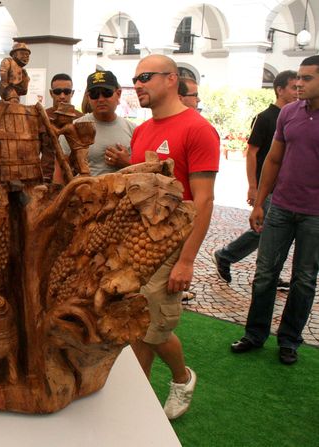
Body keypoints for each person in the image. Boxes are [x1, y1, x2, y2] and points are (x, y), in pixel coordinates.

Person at [127, 55, 220, 420]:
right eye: (135, 79)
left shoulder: (197, 129)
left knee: (155, 326)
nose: (137, 85)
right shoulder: (141, 130)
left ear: (171, 79)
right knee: (138, 321)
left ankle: (182, 378)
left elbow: (204, 200)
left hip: (172, 243)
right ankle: (140, 395)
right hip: (140, 242)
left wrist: (186, 260)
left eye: (145, 77)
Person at [230, 56, 319, 366]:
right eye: (298, 78)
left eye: (307, 79)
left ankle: (289, 340)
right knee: (265, 274)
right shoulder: (289, 114)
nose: (299, 84)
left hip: (315, 215)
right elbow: (273, 159)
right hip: (280, 207)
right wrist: (259, 202)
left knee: (304, 280)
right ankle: (255, 335)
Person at [212, 70, 298, 286]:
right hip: (266, 186)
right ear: (280, 90)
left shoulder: (296, 115)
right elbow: (251, 153)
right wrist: (253, 186)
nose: (297, 91)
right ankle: (226, 255)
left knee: (277, 232)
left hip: (286, 187)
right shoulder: (265, 117)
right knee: (264, 229)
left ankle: (270, 272)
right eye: (293, 87)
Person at [74, 70, 136, 176]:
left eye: (107, 93)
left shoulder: (133, 130)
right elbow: (61, 167)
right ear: (88, 97)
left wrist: (127, 163)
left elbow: (144, 170)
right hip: (86, 186)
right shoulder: (76, 127)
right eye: (94, 94)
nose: (101, 99)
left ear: (118, 94)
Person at [40, 73, 81, 181]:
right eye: (57, 91)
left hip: (74, 178)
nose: (62, 96)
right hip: (46, 178)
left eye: (67, 92)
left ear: (72, 93)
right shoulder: (41, 117)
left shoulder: (81, 119)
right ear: (51, 93)